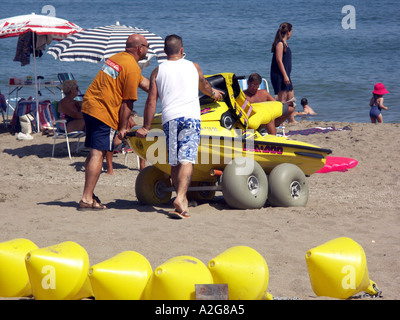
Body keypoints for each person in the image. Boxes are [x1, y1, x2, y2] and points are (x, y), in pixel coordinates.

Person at [136, 34, 224, 218]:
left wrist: (145, 126)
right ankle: (181, 198)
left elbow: (151, 102)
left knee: (175, 161)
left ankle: (180, 202)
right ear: (182, 50)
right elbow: (205, 87)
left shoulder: (157, 72)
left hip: (170, 119)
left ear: (165, 52)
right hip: (191, 118)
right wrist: (215, 93)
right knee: (187, 159)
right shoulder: (193, 66)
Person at [78, 34, 150, 211]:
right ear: (140, 48)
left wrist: (163, 90)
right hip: (103, 111)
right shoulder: (131, 67)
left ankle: (88, 195)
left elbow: (144, 83)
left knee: (94, 152)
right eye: (147, 46)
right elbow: (127, 103)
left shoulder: (117, 58)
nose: (148, 50)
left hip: (89, 105)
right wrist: (123, 127)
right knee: (98, 153)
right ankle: (86, 198)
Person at [270, 22, 295, 123]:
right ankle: (274, 121)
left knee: (291, 99)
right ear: (288, 32)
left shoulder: (285, 44)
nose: (292, 34)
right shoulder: (280, 44)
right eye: (292, 31)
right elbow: (279, 61)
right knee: (282, 101)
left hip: (285, 74)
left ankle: (291, 119)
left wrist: (287, 75)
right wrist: (285, 76)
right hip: (279, 75)